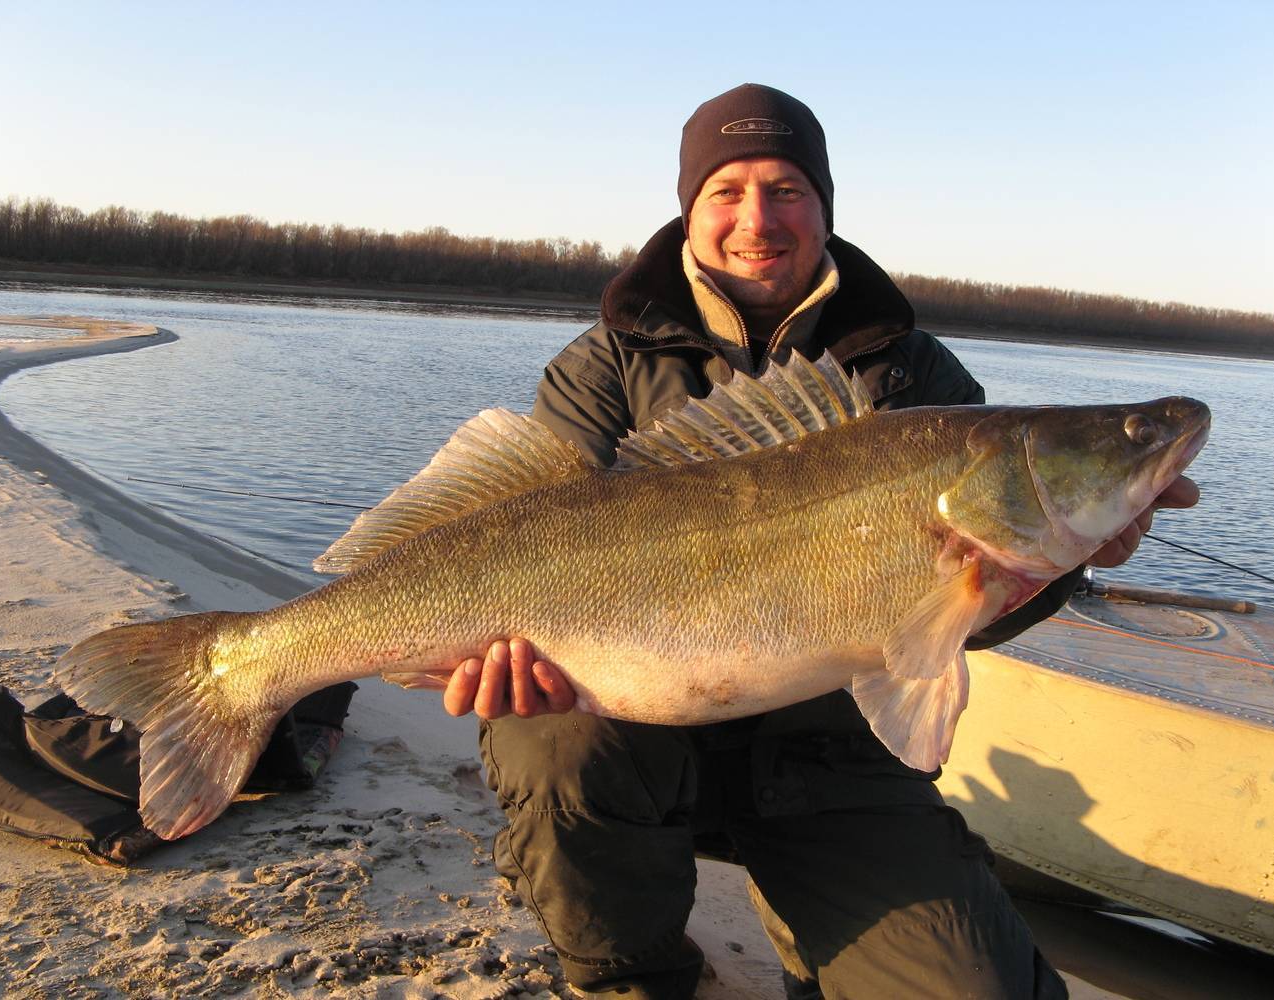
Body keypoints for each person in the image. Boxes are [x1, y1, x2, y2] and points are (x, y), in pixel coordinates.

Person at [439, 84, 1198, 999]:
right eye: (727, 190)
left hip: (825, 754)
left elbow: (948, 632)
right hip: (634, 733)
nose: (757, 218)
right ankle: (630, 974)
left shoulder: (913, 375)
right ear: (690, 210)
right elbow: (515, 513)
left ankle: (816, 929)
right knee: (549, 737)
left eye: (788, 189)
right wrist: (489, 672)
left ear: (824, 208)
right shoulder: (603, 366)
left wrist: (1062, 567)